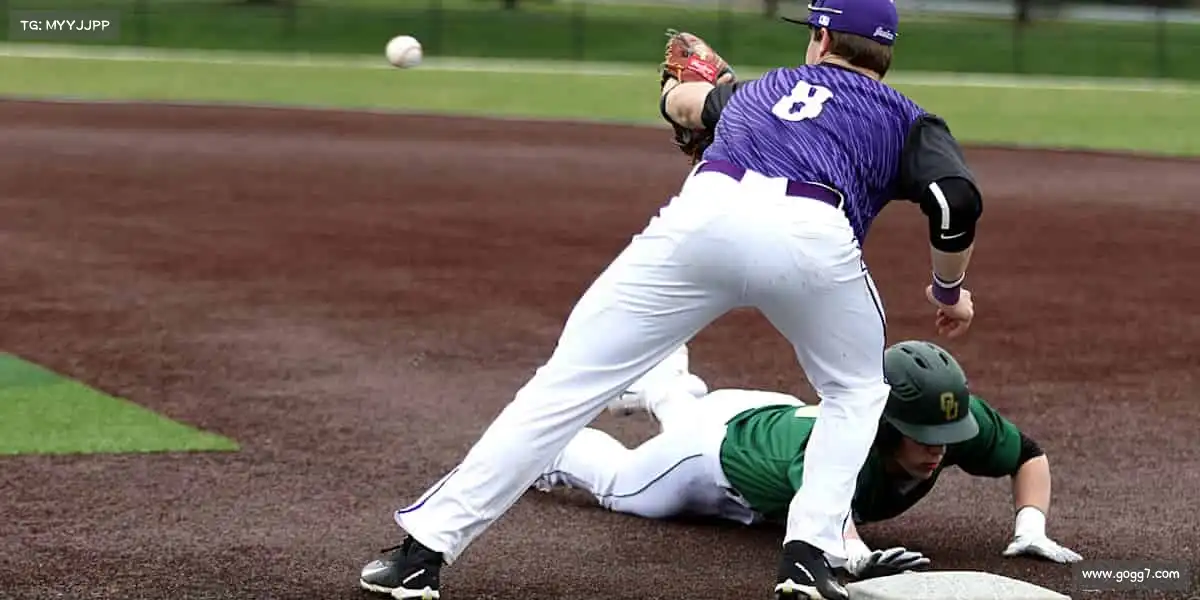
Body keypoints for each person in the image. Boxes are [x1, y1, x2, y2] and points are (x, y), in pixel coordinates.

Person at [358, 0, 985, 597]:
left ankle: (418, 556)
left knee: (567, 385)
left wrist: (675, 97)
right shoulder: (907, 117)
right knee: (855, 392)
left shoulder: (759, 91)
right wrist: (947, 287)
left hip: (702, 219)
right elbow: (955, 201)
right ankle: (808, 556)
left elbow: (683, 102)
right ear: (884, 55)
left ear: (820, 38)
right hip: (812, 236)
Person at [532, 341, 1082, 582]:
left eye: (947, 431)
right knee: (621, 485)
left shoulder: (951, 420)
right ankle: (543, 444)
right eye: (922, 435)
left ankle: (665, 386)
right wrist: (859, 560)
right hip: (709, 456)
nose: (939, 448)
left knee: (690, 422)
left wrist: (1030, 527)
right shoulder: (838, 451)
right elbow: (830, 528)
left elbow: (1028, 456)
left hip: (762, 414)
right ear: (886, 426)